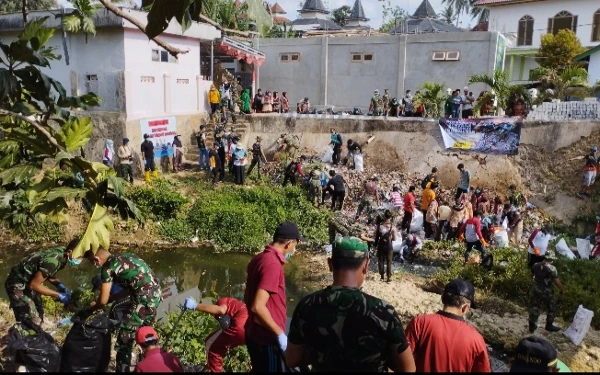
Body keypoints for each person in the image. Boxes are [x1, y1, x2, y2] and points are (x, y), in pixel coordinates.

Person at [286, 237, 416, 373]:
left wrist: (322, 353)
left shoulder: (307, 305)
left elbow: (292, 359)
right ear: (366, 266)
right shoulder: (383, 311)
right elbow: (409, 368)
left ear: (330, 264)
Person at [83, 248, 163, 372]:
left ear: (97, 259)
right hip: (155, 297)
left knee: (124, 341)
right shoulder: (126, 256)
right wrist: (110, 299)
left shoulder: (108, 268)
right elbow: (127, 290)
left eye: (93, 262)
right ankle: (147, 366)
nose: (95, 265)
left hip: (143, 301)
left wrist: (93, 306)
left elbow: (102, 301)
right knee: (146, 334)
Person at [244, 222, 304, 372]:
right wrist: (279, 334)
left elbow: (248, 296)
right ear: (289, 243)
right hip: (266, 339)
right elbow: (257, 306)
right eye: (295, 245)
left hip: (254, 333)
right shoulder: (273, 264)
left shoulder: (259, 258)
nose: (294, 250)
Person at [404, 279, 490, 372]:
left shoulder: (419, 323)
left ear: (443, 299)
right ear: (465, 307)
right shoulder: (476, 339)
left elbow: (402, 360)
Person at [5, 238, 80, 325]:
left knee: (39, 311)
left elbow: (48, 274)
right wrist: (59, 295)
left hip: (29, 281)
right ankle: (25, 334)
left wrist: (60, 286)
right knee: (30, 319)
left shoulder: (63, 254)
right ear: (70, 252)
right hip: (17, 284)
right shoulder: (54, 259)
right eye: (80, 256)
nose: (81, 260)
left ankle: (35, 332)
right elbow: (34, 285)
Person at [183, 297, 248, 373]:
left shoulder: (224, 300)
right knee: (211, 340)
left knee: (212, 346)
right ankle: (211, 367)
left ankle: (215, 370)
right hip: (252, 330)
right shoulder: (239, 306)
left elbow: (221, 310)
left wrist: (195, 306)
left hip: (240, 326)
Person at [529, 252, 565, 333]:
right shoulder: (552, 268)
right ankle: (549, 325)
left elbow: (531, 276)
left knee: (535, 306)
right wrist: (562, 289)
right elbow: (556, 281)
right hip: (547, 291)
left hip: (536, 289)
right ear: (551, 259)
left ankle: (532, 325)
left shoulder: (535, 265)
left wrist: (535, 283)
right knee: (551, 306)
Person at [374, 210, 397, 283]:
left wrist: (375, 245)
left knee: (381, 261)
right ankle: (389, 277)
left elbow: (376, 237)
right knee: (389, 262)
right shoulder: (393, 227)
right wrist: (390, 238)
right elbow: (395, 238)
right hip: (389, 246)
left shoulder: (379, 226)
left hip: (381, 246)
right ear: (390, 217)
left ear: (384, 217)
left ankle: (382, 277)